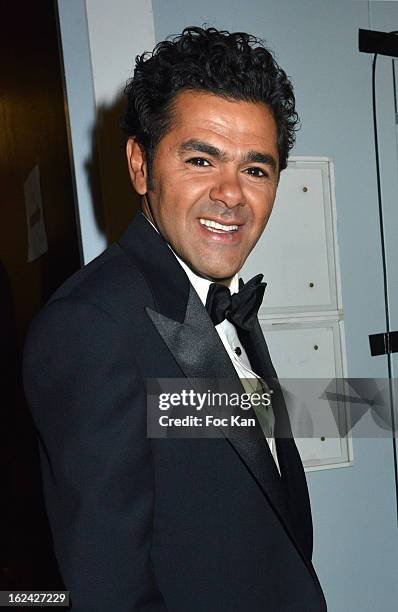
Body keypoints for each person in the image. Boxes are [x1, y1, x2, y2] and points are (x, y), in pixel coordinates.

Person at [23, 26, 326, 611]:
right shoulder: (88, 329)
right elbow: (108, 592)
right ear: (140, 166)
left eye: (256, 170)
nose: (231, 194)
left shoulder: (222, 294)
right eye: (200, 159)